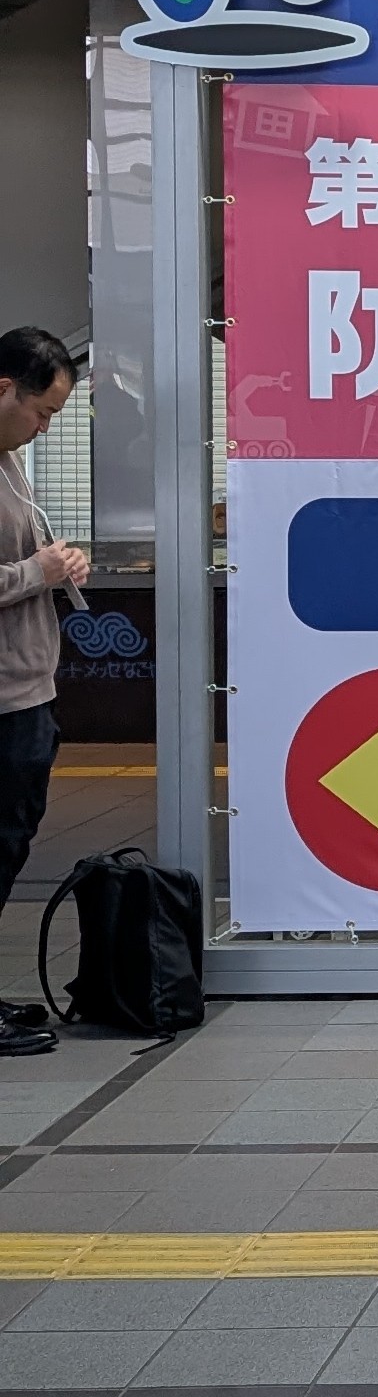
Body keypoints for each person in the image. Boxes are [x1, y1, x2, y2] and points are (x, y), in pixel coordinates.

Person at [0, 328, 89, 1057]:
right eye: (43, 412)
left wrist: (57, 563)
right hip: (3, 697)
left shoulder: (9, 463)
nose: (45, 429)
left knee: (12, 837)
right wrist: (38, 573)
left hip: (26, 687)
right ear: (5, 389)